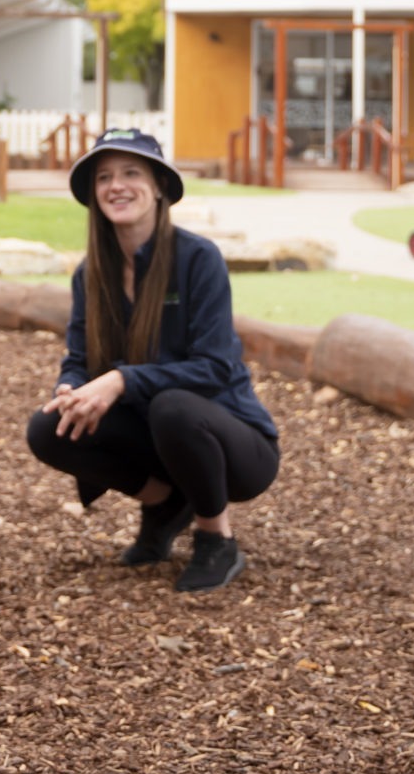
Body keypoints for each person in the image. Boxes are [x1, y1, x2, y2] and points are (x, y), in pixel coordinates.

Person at [25, 128, 279, 594]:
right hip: (159, 437)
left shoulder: (197, 258)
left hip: (235, 445)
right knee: (48, 427)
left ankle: (215, 539)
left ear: (160, 187)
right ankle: (165, 504)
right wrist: (72, 387)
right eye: (104, 176)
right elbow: (78, 357)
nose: (116, 185)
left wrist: (121, 380)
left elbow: (217, 366)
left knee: (173, 406)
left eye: (131, 173)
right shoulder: (91, 273)